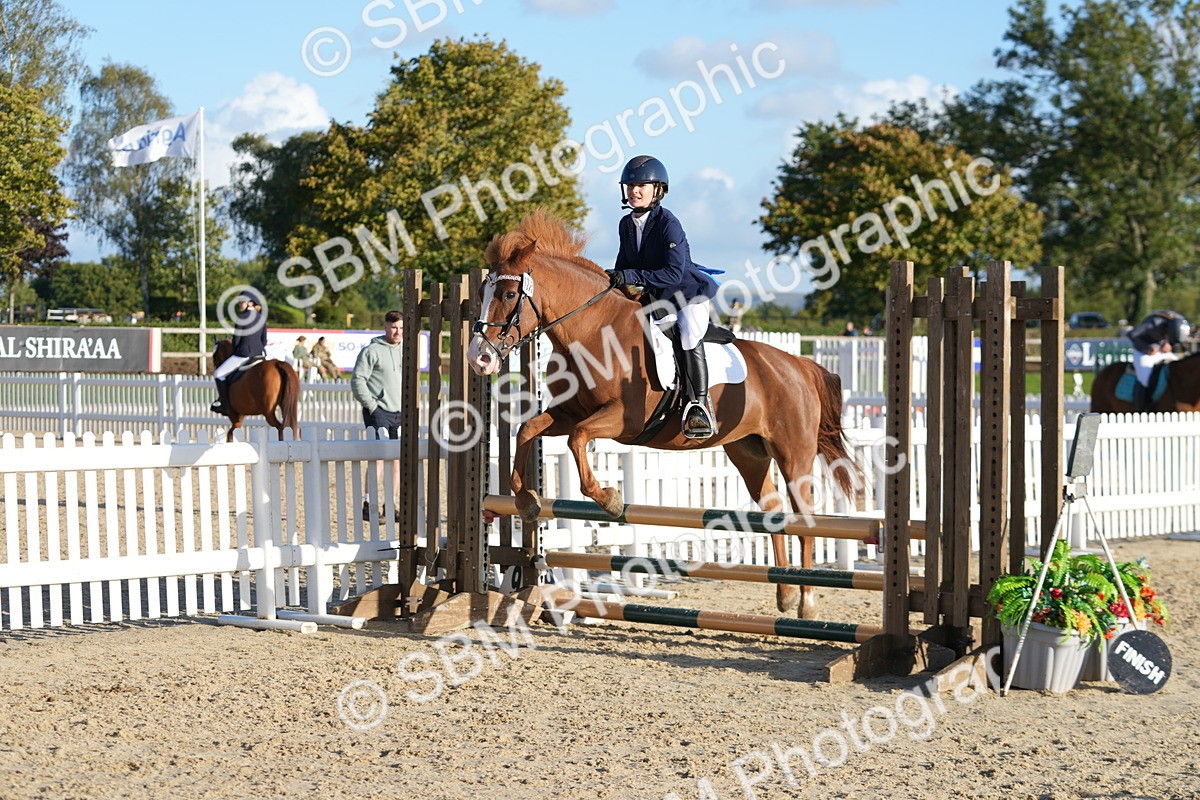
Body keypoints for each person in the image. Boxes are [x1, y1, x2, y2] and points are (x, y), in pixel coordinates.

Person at [608, 155, 720, 440]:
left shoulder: (668, 223)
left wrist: (632, 277)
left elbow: (672, 273)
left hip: (686, 295)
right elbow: (624, 267)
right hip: (655, 298)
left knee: (687, 335)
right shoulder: (625, 224)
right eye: (630, 185)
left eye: (641, 185)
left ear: (657, 189)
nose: (635, 190)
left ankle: (698, 406)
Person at [351, 311, 404, 521]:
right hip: (378, 411)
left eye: (401, 328)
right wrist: (372, 406)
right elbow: (357, 380)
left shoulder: (406, 350)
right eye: (394, 327)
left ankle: (390, 505)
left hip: (400, 412)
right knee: (379, 459)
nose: (398, 332)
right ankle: (368, 503)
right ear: (385, 327)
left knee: (397, 462)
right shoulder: (371, 351)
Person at [210, 289, 267, 414]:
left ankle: (224, 404)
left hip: (243, 355)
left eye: (242, 302)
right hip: (259, 355)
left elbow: (236, 340)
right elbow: (264, 340)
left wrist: (235, 352)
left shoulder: (241, 318)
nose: (240, 304)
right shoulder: (262, 318)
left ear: (250, 304)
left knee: (219, 373)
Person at [1127, 310, 1191, 411]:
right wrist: (1147, 348)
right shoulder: (1153, 323)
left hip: (1161, 351)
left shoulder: (1180, 322)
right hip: (1144, 351)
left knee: (1178, 367)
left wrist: (1168, 345)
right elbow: (1132, 334)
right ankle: (1142, 408)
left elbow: (1174, 339)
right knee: (1145, 377)